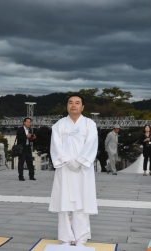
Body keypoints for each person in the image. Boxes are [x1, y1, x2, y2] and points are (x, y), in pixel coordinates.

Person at [49, 94, 98, 247]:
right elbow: (55, 145)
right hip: (65, 168)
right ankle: (65, 238)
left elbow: (91, 144)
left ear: (82, 107)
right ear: (67, 106)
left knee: (82, 204)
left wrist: (80, 161)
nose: (73, 105)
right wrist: (66, 160)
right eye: (70, 103)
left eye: (77, 103)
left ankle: (81, 238)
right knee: (64, 204)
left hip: (83, 170)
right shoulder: (59, 125)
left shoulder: (90, 124)